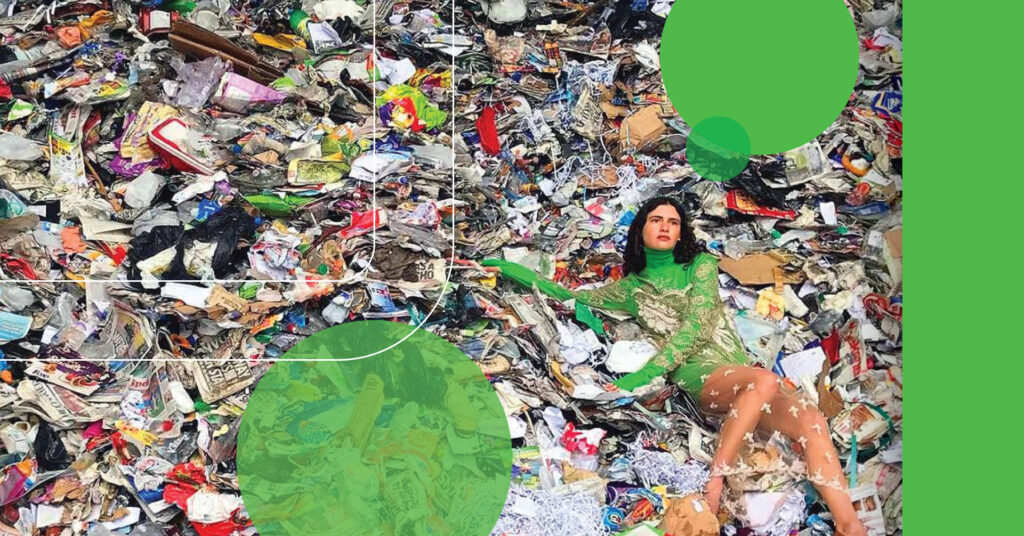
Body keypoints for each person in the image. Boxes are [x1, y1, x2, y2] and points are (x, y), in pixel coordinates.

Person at [483, 196, 866, 536]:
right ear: (641, 231)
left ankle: (851, 526)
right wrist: (502, 266)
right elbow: (565, 295)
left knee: (811, 419)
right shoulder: (629, 289)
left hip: (745, 378)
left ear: (681, 233)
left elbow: (698, 323)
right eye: (656, 220)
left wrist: (647, 371)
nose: (665, 226)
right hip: (703, 378)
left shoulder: (700, 266)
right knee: (764, 382)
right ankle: (717, 481)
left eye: (673, 222)